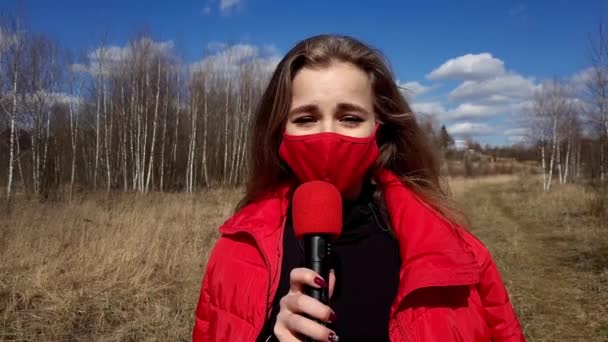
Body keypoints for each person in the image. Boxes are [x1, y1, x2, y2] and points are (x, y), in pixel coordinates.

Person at [192, 34, 525, 342]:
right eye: (306, 119)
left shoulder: (459, 255)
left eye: (350, 118)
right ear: (280, 133)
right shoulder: (236, 252)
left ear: (378, 131)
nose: (327, 136)